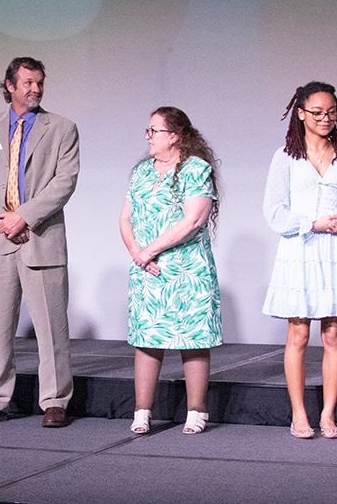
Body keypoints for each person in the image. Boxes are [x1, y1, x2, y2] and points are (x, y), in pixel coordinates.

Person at [0, 57, 81, 428]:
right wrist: (2, 220)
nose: (35, 89)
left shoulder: (62, 128)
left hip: (41, 238)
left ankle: (55, 400)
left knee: (51, 328)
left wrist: (23, 216)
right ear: (10, 86)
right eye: (28, 82)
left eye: (40, 83)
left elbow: (64, 181)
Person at [262, 82, 337, 439]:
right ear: (301, 113)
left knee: (334, 334)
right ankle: (299, 414)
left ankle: (328, 414)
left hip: (336, 250)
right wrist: (312, 223)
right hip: (301, 249)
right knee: (299, 334)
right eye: (317, 112)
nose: (325, 118)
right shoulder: (285, 157)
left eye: (331, 112)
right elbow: (274, 212)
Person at [121, 107, 222, 436]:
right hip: (148, 270)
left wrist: (151, 250)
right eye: (148, 131)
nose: (148, 137)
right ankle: (142, 411)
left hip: (186, 269)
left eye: (155, 131)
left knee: (193, 340)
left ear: (175, 136)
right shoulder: (141, 172)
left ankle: (196, 410)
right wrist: (138, 254)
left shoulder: (196, 169)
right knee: (147, 340)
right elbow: (125, 218)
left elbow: (193, 220)